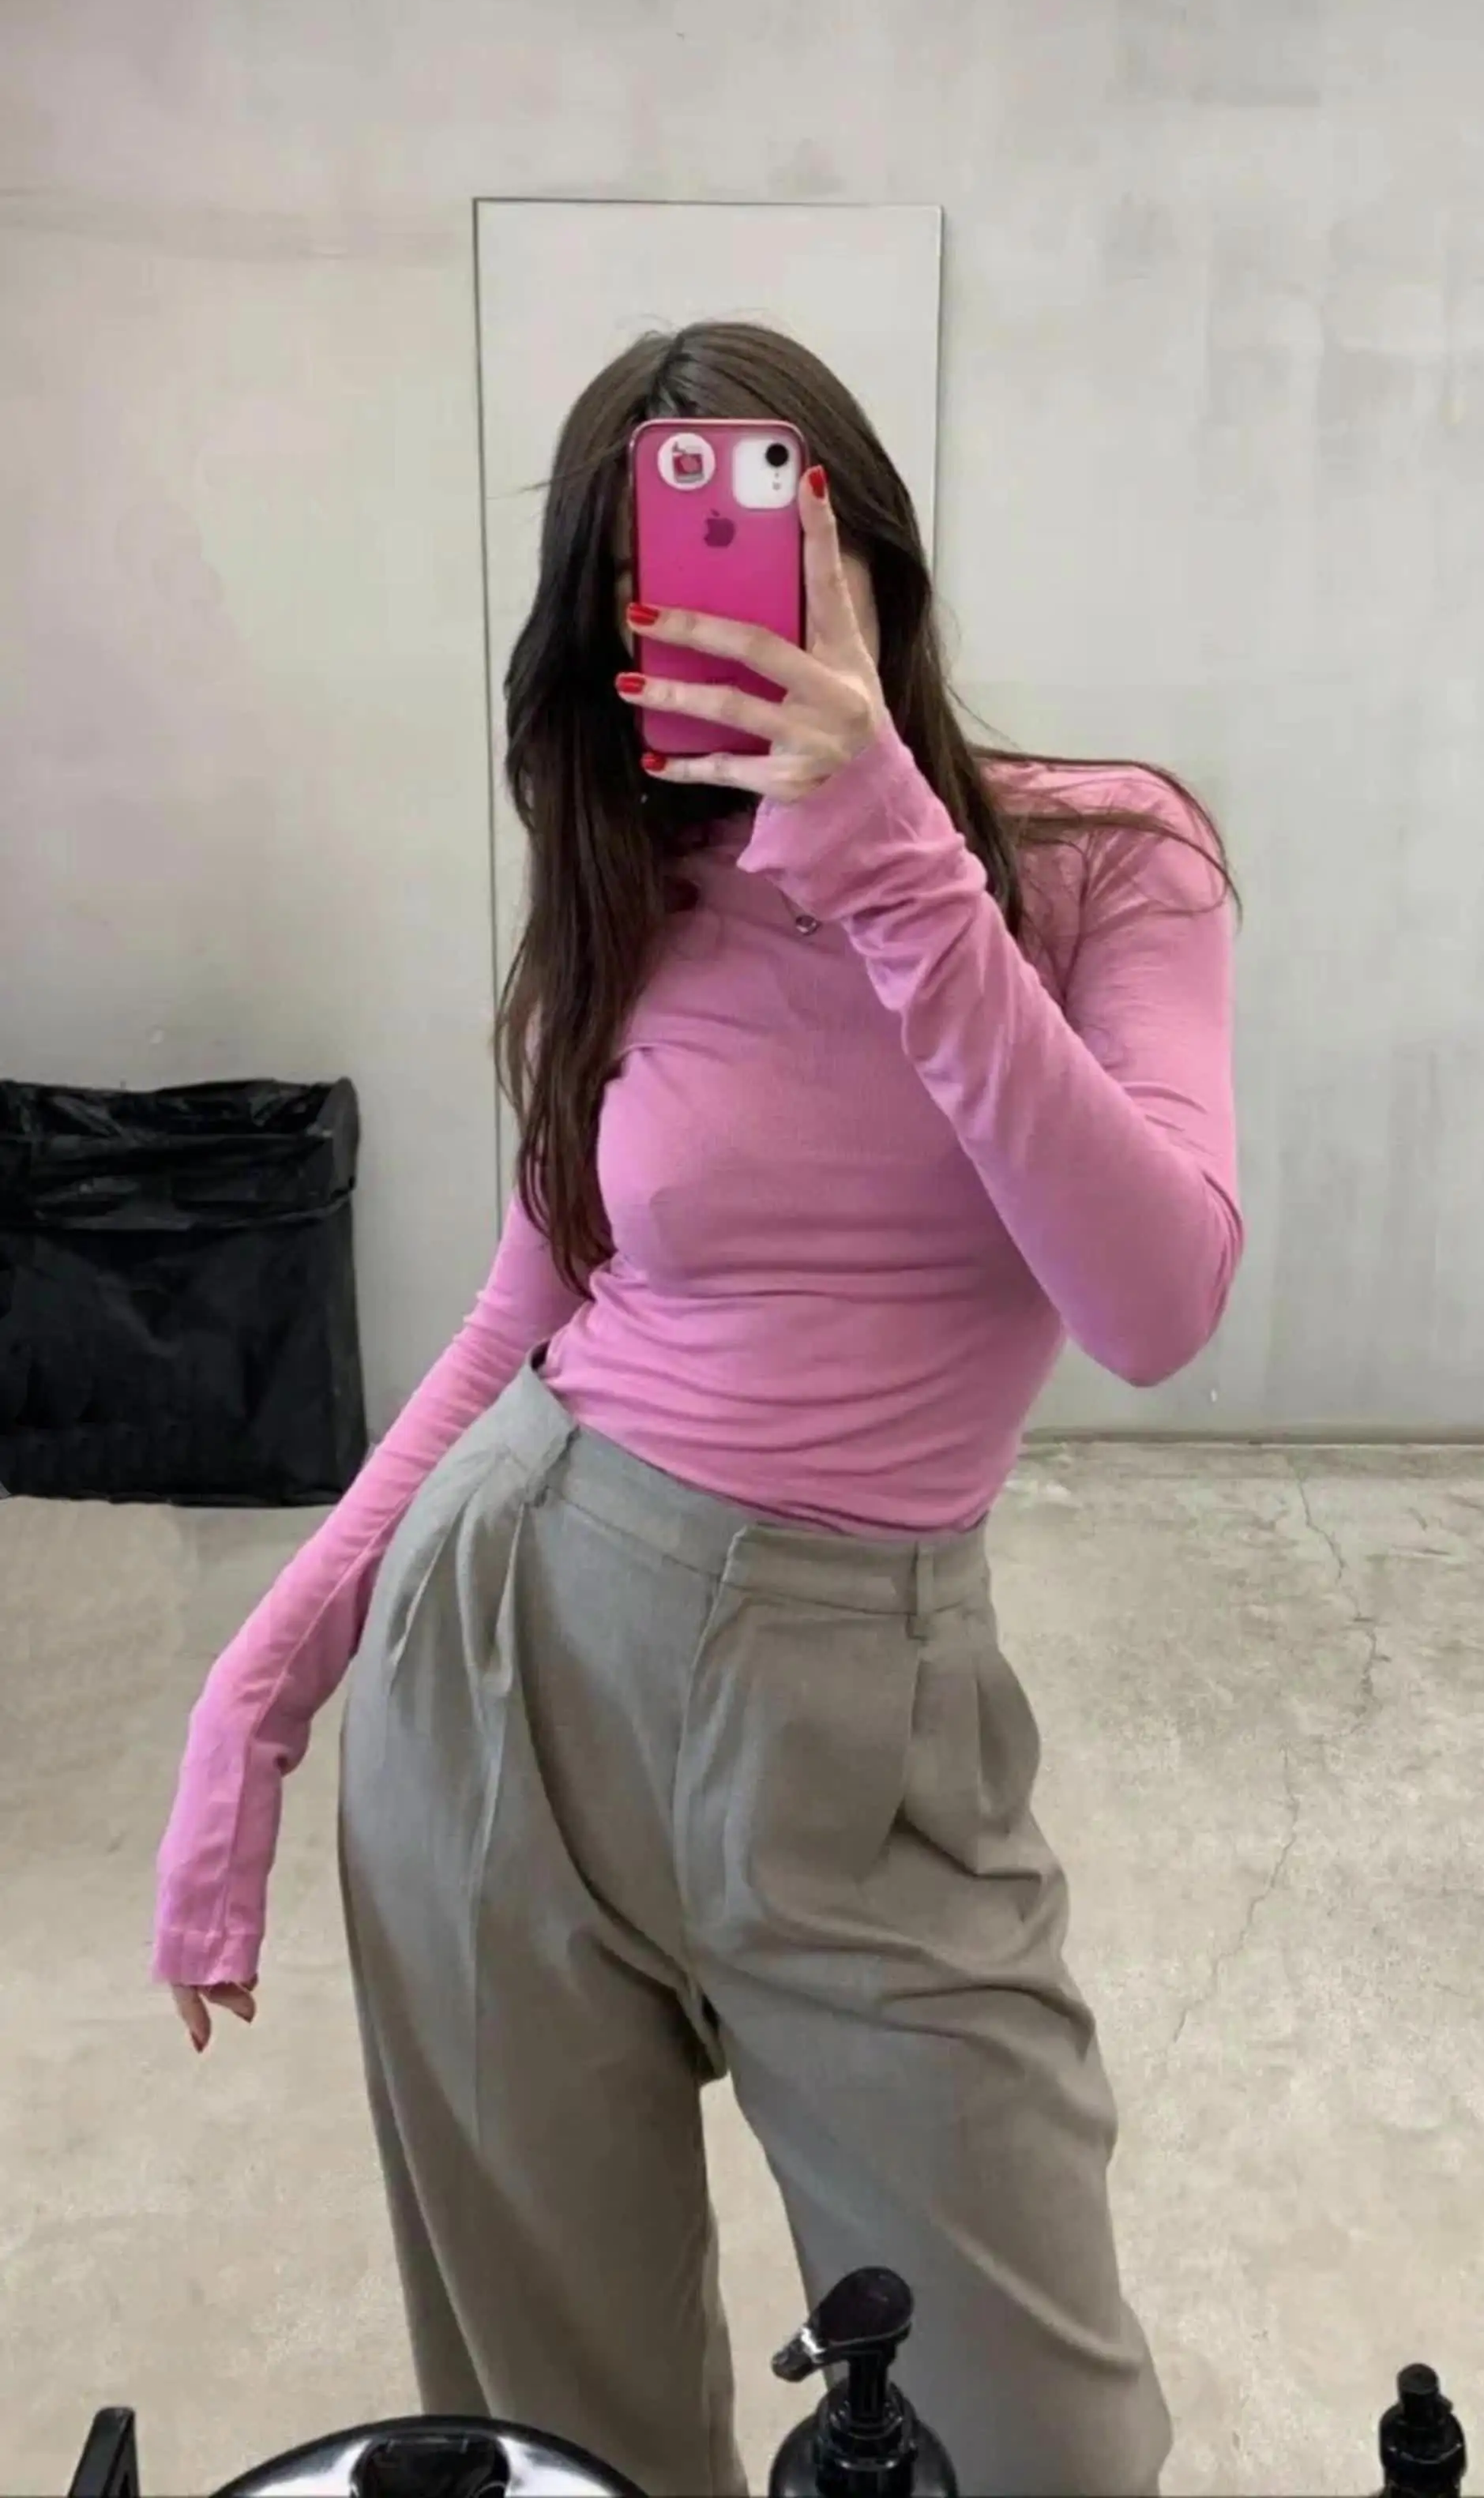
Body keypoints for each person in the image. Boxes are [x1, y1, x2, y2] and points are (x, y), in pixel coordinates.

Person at [153, 322, 1242, 2498]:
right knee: (574, 2433)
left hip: (868, 1721)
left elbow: (1156, 1300)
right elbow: (524, 1308)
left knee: (1041, 2447)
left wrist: (891, 853)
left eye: (769, 558)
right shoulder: (628, 885)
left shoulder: (1105, 859)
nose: (720, 633)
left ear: (872, 566)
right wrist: (261, 1689)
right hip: (505, 1675)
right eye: (652, 599)